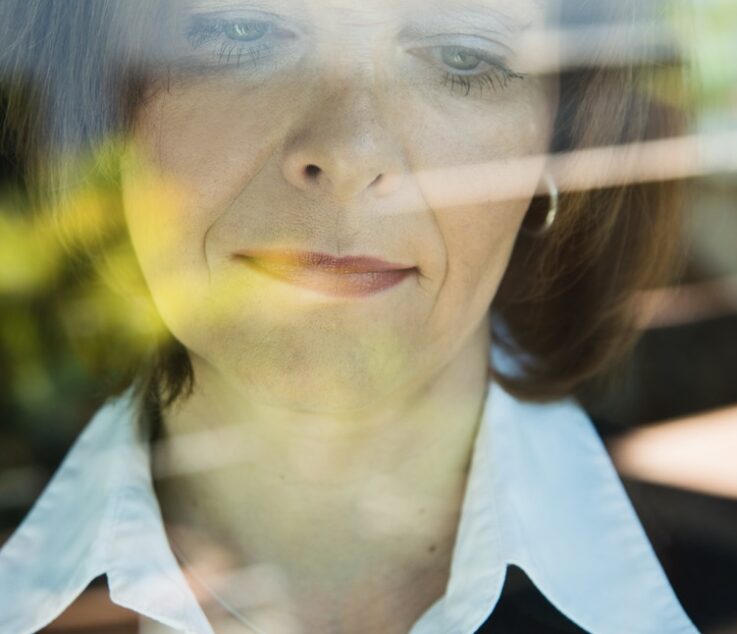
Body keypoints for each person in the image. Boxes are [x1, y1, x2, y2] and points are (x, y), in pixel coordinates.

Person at [0, 0, 699, 632]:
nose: (347, 151)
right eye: (241, 31)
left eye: (462, 54)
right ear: (100, 107)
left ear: (562, 145)